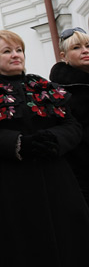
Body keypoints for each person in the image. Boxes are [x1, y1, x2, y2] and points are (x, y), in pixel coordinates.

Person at [0, 29, 89, 267]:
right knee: (19, 250)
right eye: (7, 51)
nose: (15, 55)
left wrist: (53, 139)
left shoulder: (42, 86)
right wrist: (19, 143)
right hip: (9, 185)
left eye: (18, 50)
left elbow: (73, 126)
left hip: (54, 180)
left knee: (65, 245)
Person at [50, 27, 89, 203]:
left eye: (88, 45)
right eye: (77, 47)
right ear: (63, 56)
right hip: (81, 171)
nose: (85, 51)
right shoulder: (60, 92)